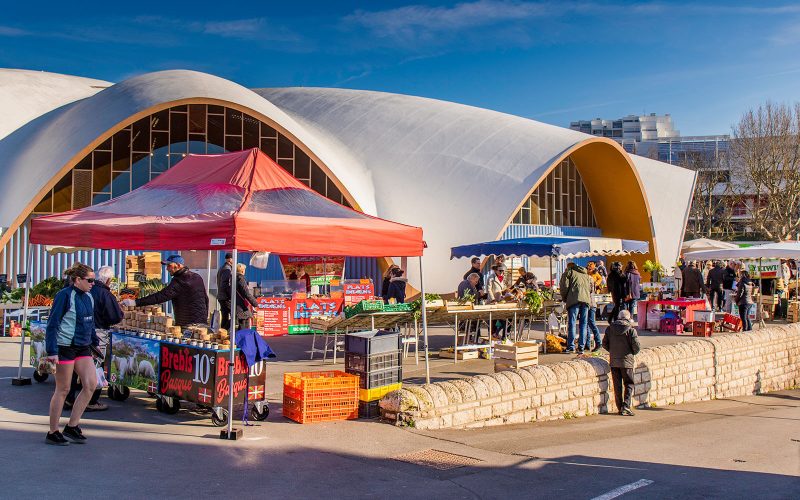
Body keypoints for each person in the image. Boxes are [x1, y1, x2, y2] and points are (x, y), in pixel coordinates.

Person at [44, 263, 99, 445]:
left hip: (83, 347)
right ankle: (53, 432)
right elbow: (53, 324)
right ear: (77, 280)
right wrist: (52, 351)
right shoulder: (64, 296)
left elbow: (90, 323)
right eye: (90, 280)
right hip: (65, 347)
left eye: (94, 280)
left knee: (91, 384)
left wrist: (94, 343)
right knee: (64, 389)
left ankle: (72, 426)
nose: (93, 283)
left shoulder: (89, 297)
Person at [65, 266, 122, 413]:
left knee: (75, 369)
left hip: (81, 334)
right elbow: (115, 316)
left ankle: (69, 398)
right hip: (97, 333)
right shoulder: (104, 294)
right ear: (109, 279)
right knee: (96, 366)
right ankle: (91, 400)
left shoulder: (82, 292)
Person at [122, 255, 208, 327]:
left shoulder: (180, 280)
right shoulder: (197, 277)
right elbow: (206, 299)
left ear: (178, 265)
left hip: (188, 322)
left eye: (169, 265)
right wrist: (204, 318)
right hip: (201, 321)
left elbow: (162, 296)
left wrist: (135, 303)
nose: (167, 269)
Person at [602, 309, 641, 416]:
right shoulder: (631, 330)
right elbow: (636, 347)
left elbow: (604, 344)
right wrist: (630, 353)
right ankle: (626, 406)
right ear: (628, 318)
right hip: (627, 361)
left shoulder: (610, 329)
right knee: (629, 384)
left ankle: (620, 408)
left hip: (614, 361)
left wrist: (613, 351)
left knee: (617, 385)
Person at [559, 262, 592, 354]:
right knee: (583, 324)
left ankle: (571, 346)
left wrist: (565, 298)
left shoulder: (569, 272)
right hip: (586, 300)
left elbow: (563, 286)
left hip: (574, 300)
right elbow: (590, 288)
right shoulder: (585, 274)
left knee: (572, 323)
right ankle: (581, 347)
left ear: (568, 267)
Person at [584, 262, 603, 352]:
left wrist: (596, 284)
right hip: (589, 303)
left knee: (591, 323)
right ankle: (587, 344)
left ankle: (599, 343)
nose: (589, 270)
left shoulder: (592, 277)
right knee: (587, 324)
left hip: (591, 304)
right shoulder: (587, 276)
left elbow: (600, 279)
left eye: (590, 268)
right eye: (588, 268)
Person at [234, 263, 258, 331]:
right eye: (244, 269)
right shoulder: (240, 278)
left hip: (236, 303)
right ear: (242, 271)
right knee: (244, 324)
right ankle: (242, 340)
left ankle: (238, 339)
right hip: (242, 305)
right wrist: (255, 303)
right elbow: (246, 293)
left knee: (241, 324)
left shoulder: (233, 278)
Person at [216, 253, 233, 330]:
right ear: (230, 259)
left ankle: (222, 333)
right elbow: (225, 284)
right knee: (235, 315)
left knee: (225, 316)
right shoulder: (227, 269)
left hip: (221, 296)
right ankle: (224, 330)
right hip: (225, 297)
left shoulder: (221, 268)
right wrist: (230, 295)